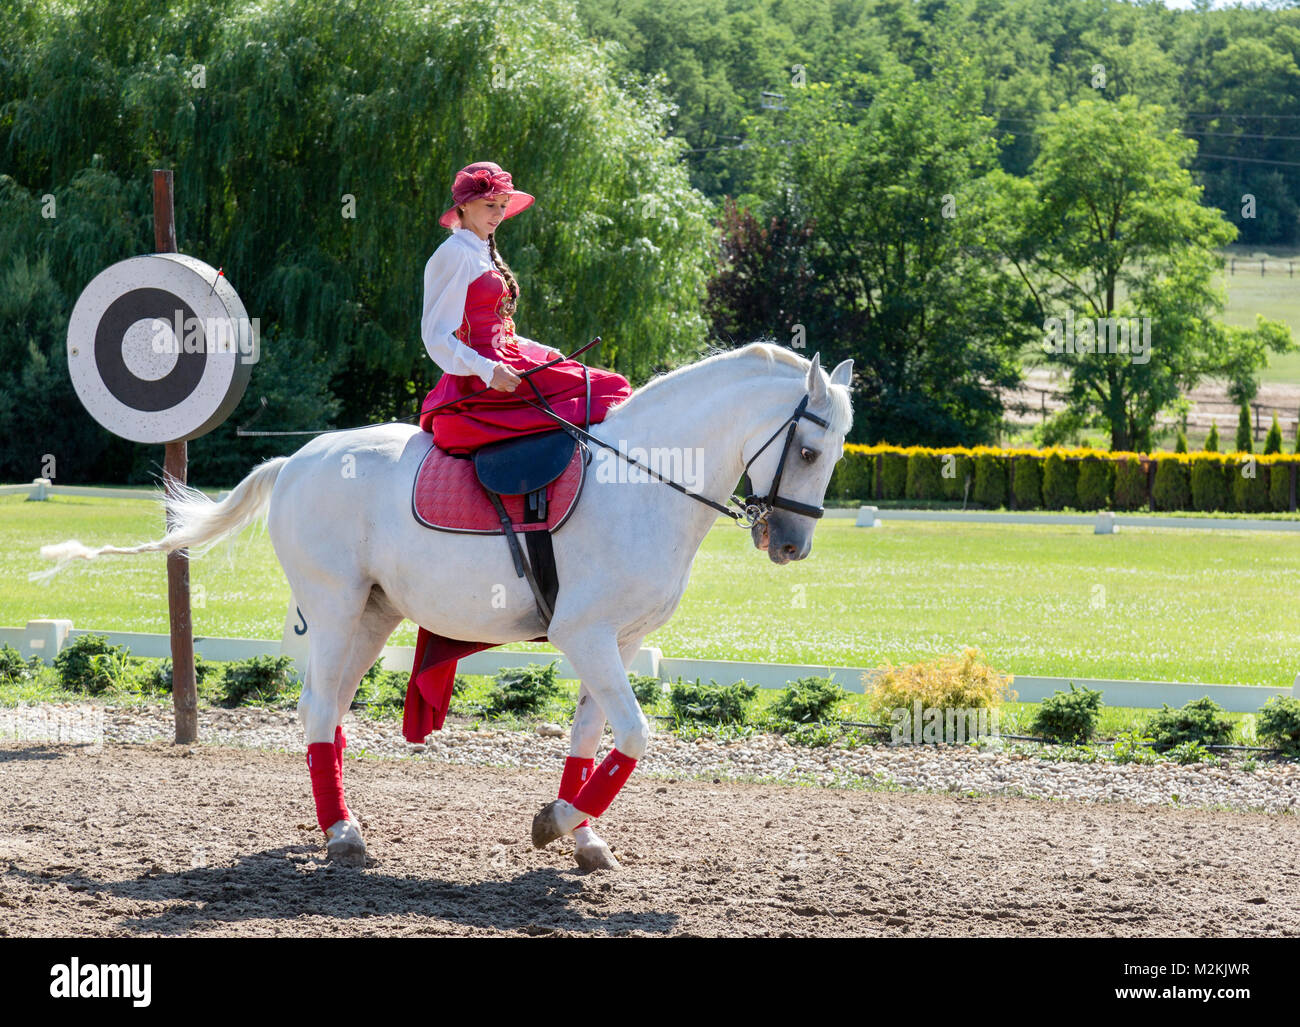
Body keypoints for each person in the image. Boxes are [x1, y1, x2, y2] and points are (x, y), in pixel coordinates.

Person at [418, 160, 633, 454]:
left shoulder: (483, 251)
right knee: (611, 388)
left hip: (509, 360)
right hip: (486, 375)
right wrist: (488, 370)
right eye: (490, 204)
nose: (499, 214)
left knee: (613, 386)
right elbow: (436, 335)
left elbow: (499, 331)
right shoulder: (454, 254)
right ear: (465, 205)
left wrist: (540, 351)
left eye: (504, 205)